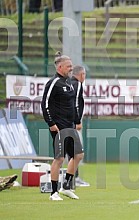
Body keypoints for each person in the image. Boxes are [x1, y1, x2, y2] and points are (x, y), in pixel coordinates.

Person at [41, 52, 84, 201]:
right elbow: (44, 103)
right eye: (69, 66)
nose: (71, 69)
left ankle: (66, 186)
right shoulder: (54, 82)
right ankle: (53, 193)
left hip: (70, 126)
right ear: (60, 67)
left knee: (78, 155)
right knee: (59, 159)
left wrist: (76, 120)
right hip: (59, 127)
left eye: (71, 66)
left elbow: (73, 105)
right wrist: (51, 123)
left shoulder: (69, 83)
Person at [70, 65, 90, 187]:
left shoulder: (67, 83)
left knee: (71, 153)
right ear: (81, 74)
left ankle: (72, 178)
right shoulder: (77, 85)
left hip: (65, 122)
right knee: (77, 153)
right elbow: (76, 103)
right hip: (73, 124)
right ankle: (74, 178)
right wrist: (77, 121)